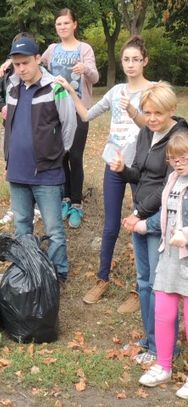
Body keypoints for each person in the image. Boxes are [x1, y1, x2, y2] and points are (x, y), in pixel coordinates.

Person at [55, 35, 152, 307]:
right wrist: (71, 89)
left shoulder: (154, 89)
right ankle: (102, 279)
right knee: (110, 226)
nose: (130, 64)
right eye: (126, 59)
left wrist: (134, 111)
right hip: (114, 165)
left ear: (145, 61)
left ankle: (139, 287)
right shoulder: (116, 91)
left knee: (141, 225)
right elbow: (86, 115)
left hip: (142, 168)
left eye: (136, 59)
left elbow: (155, 125)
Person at [110, 81, 188, 364]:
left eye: (157, 113)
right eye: (147, 112)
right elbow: (140, 175)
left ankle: (163, 348)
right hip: (140, 212)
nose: (151, 118)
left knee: (159, 285)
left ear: (171, 110)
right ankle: (149, 339)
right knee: (143, 282)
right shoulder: (146, 132)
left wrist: (140, 214)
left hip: (159, 218)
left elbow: (168, 184)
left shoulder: (179, 138)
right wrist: (122, 170)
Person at [2, 36, 76, 282]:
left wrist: (53, 154)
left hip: (47, 172)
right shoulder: (12, 87)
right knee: (22, 225)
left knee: (54, 229)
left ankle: (58, 274)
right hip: (17, 172)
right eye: (16, 64)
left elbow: (69, 125)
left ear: (37, 59)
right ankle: (28, 271)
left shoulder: (55, 87)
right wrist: (8, 158)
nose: (21, 69)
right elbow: (8, 126)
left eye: (25, 63)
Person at [135, 131, 188, 399]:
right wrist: (144, 223)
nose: (178, 162)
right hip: (169, 258)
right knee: (164, 313)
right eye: (173, 158)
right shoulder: (173, 180)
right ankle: (163, 366)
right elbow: (165, 213)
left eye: (184, 157)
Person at [40, 8, 99, 228]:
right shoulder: (52, 49)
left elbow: (95, 76)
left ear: (74, 24)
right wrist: (10, 63)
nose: (62, 27)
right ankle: (65, 199)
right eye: (59, 24)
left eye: (66, 23)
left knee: (75, 156)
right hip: (56, 110)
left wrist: (85, 69)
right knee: (61, 156)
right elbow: (35, 63)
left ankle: (76, 204)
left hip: (79, 110)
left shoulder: (84, 49)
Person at [0, 32, 41, 226]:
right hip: (10, 128)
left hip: (33, 132)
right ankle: (16, 206)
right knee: (11, 165)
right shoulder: (5, 74)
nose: (20, 65)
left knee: (36, 166)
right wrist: (2, 106)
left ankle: (37, 207)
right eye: (15, 59)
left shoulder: (39, 72)